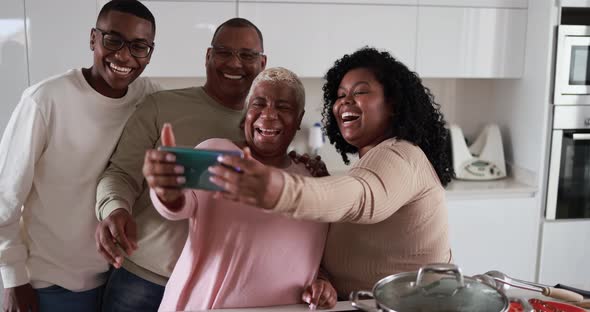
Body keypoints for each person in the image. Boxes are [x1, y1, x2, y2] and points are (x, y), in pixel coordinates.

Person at [209, 47, 455, 299]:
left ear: (392, 104)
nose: (345, 101)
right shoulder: (371, 162)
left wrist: (279, 188)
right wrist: (323, 279)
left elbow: (362, 197)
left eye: (360, 92)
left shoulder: (401, 155)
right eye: (340, 95)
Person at [94, 18, 268, 311]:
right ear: (208, 56)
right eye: (224, 52)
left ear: (262, 62)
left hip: (215, 289)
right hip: (143, 280)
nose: (234, 63)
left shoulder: (265, 127)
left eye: (247, 55)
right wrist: (115, 209)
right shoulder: (160, 106)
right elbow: (121, 174)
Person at [0, 1, 158, 311]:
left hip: (120, 281)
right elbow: (5, 199)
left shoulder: (148, 97)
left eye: (139, 46)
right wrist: (14, 280)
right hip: (52, 286)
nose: (124, 56)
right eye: (113, 40)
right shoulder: (45, 100)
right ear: (93, 39)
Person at [143, 67, 337, 311]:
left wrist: (322, 282)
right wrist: (166, 190)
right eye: (259, 104)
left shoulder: (312, 180)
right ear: (247, 113)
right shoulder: (219, 153)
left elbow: (306, 254)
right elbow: (179, 205)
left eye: (283, 107)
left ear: (299, 119)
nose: (268, 115)